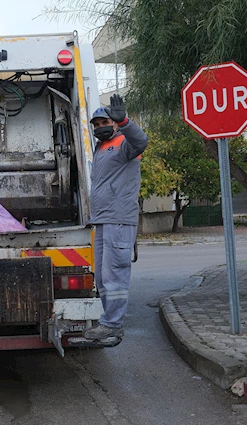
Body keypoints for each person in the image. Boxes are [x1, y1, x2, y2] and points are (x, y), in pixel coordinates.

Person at [83, 94, 149, 346]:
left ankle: (113, 325)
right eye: (96, 124)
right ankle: (108, 322)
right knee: (101, 278)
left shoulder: (124, 143)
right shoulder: (101, 148)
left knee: (115, 275)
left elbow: (141, 141)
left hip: (119, 220)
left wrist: (125, 122)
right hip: (103, 220)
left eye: (103, 122)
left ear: (113, 121)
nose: (100, 127)